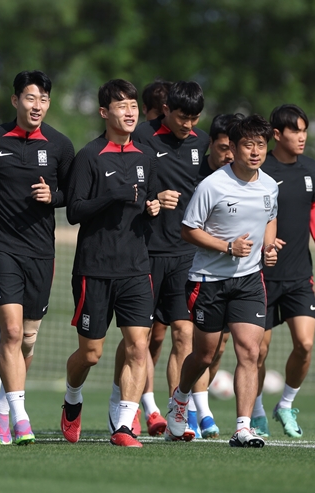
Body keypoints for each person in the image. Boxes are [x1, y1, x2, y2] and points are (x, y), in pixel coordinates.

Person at [0, 70, 74, 445]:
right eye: (29, 98)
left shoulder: (60, 145)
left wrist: (52, 197)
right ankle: (22, 418)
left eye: (42, 99)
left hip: (41, 251)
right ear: (15, 100)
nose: (36, 105)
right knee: (9, 331)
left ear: (48, 104)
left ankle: (4, 406)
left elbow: (74, 194)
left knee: (28, 338)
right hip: (1, 247)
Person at [165, 114, 278, 448]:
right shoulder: (212, 185)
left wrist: (268, 247)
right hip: (208, 281)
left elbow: (270, 218)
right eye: (248, 145)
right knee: (205, 355)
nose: (255, 152)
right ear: (236, 147)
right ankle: (181, 398)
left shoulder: (270, 185)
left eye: (261, 145)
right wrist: (227, 247)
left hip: (249, 280)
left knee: (249, 351)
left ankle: (243, 427)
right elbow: (188, 229)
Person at [60, 79, 160, 448]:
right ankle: (72, 399)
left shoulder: (145, 157)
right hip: (94, 268)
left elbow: (146, 202)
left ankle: (124, 424)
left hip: (136, 267)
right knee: (92, 353)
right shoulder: (89, 156)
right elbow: (74, 211)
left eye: (133, 105)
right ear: (105, 113)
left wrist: (153, 207)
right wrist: (111, 195)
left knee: (138, 345)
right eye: (121, 106)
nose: (130, 112)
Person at [109, 81, 210, 439]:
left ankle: (176, 411)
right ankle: (127, 403)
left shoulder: (202, 142)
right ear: (166, 110)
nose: (188, 125)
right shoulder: (144, 138)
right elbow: (128, 180)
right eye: (183, 117)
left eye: (195, 118)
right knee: (140, 337)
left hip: (185, 252)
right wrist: (152, 199)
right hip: (146, 250)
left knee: (184, 333)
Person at [252, 104, 315, 438]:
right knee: (257, 350)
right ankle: (254, 412)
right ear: (277, 134)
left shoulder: (310, 168)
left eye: (304, 130)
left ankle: (285, 404)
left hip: (300, 274)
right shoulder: (261, 169)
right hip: (262, 276)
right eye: (295, 131)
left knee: (305, 344)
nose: (302, 137)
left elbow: (314, 204)